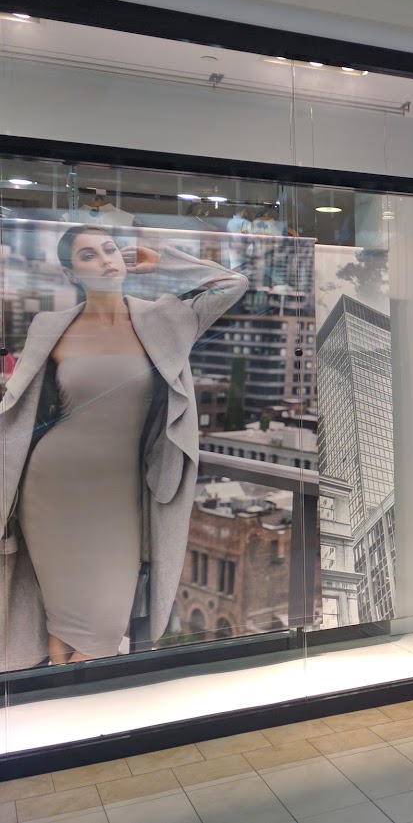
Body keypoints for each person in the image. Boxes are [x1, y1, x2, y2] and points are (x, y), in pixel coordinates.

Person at [0, 225, 248, 668]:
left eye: (110, 249)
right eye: (89, 255)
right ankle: (61, 706)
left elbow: (233, 284)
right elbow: (20, 403)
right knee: (61, 623)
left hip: (120, 495)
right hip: (50, 487)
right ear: (70, 273)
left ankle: (68, 702)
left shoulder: (163, 318)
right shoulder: (50, 326)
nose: (105, 260)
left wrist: (163, 261)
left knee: (102, 630)